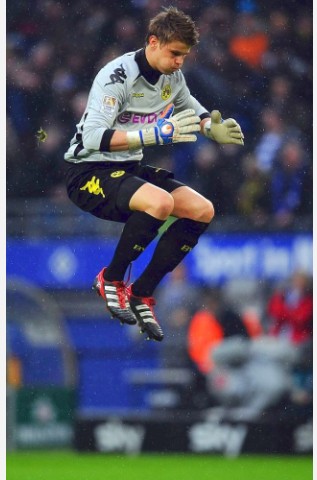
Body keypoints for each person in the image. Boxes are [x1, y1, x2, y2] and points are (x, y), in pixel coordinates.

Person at [63, 7, 244, 342]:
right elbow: (92, 138)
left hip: (127, 169)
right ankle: (112, 278)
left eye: (184, 56)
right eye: (175, 54)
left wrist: (209, 126)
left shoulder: (172, 76)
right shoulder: (116, 76)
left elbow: (188, 102)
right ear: (153, 42)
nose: (179, 62)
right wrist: (149, 136)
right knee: (159, 203)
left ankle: (141, 292)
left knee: (202, 210)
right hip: (88, 172)